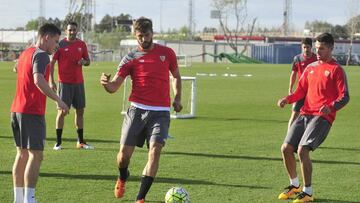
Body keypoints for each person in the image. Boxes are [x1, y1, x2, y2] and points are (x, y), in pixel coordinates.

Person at [100, 17, 182, 203]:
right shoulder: (130, 58)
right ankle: (122, 176)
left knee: (155, 151)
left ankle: (140, 198)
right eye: (139, 36)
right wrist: (106, 84)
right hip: (137, 111)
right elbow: (114, 87)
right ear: (135, 36)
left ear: (152, 33)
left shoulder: (167, 53)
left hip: (161, 112)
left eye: (146, 35)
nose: (143, 39)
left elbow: (176, 76)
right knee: (123, 158)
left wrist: (177, 97)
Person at [277, 33, 350, 203]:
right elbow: (300, 91)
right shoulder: (311, 68)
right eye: (317, 48)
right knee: (286, 148)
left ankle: (308, 192)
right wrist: (287, 99)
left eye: (322, 49)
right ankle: (294, 185)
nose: (318, 52)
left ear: (331, 48)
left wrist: (331, 107)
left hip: (322, 117)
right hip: (305, 114)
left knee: (303, 150)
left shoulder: (337, 70)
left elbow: (345, 96)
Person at [11, 23, 69, 203]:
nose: (56, 46)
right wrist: (58, 100)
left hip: (16, 109)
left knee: (22, 154)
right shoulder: (42, 55)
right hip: (31, 111)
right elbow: (38, 79)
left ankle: (18, 199)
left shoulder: (26, 52)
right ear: (46, 37)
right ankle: (30, 199)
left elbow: (16, 69)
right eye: (56, 41)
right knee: (36, 155)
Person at [49, 21, 92, 150]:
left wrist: (83, 61)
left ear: (77, 31)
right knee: (62, 112)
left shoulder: (81, 44)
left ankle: (80, 142)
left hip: (79, 83)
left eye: (74, 30)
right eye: (70, 30)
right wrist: (51, 81)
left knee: (80, 111)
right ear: (65, 31)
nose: (72, 32)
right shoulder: (60, 44)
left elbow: (88, 61)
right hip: (64, 84)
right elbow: (52, 63)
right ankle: (58, 142)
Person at [287, 38, 317, 130]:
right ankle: (288, 137)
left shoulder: (316, 59)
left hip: (313, 92)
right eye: (304, 47)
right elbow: (293, 74)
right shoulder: (297, 59)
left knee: (312, 116)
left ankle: (306, 138)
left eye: (307, 47)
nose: (306, 49)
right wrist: (290, 89)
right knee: (295, 113)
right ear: (301, 47)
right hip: (301, 91)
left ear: (311, 47)